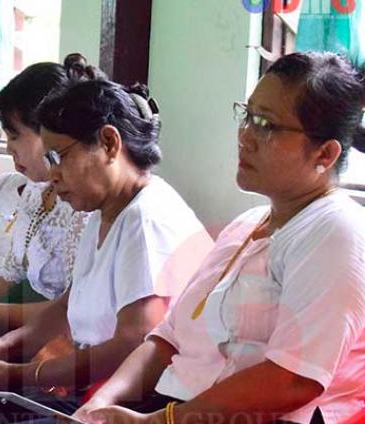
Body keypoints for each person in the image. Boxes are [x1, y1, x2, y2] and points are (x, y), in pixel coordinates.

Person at [72, 51, 365, 424]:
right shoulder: (246, 225)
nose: (245, 136)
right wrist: (103, 402)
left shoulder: (338, 232)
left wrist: (165, 420)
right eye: (247, 115)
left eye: (267, 125)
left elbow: (291, 380)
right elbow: (168, 338)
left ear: (324, 154)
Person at [0, 77, 212, 421]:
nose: (52, 174)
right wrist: (2, 348)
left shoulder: (146, 219)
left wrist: (16, 374)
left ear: (110, 143)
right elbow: (68, 303)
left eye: (59, 156)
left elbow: (133, 341)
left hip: (130, 402)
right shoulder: (103, 210)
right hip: (93, 386)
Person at [0, 58, 95, 340]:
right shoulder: (34, 191)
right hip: (16, 311)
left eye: (14, 136)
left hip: (49, 333)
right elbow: (10, 272)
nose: (9, 148)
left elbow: (70, 312)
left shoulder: (83, 207)